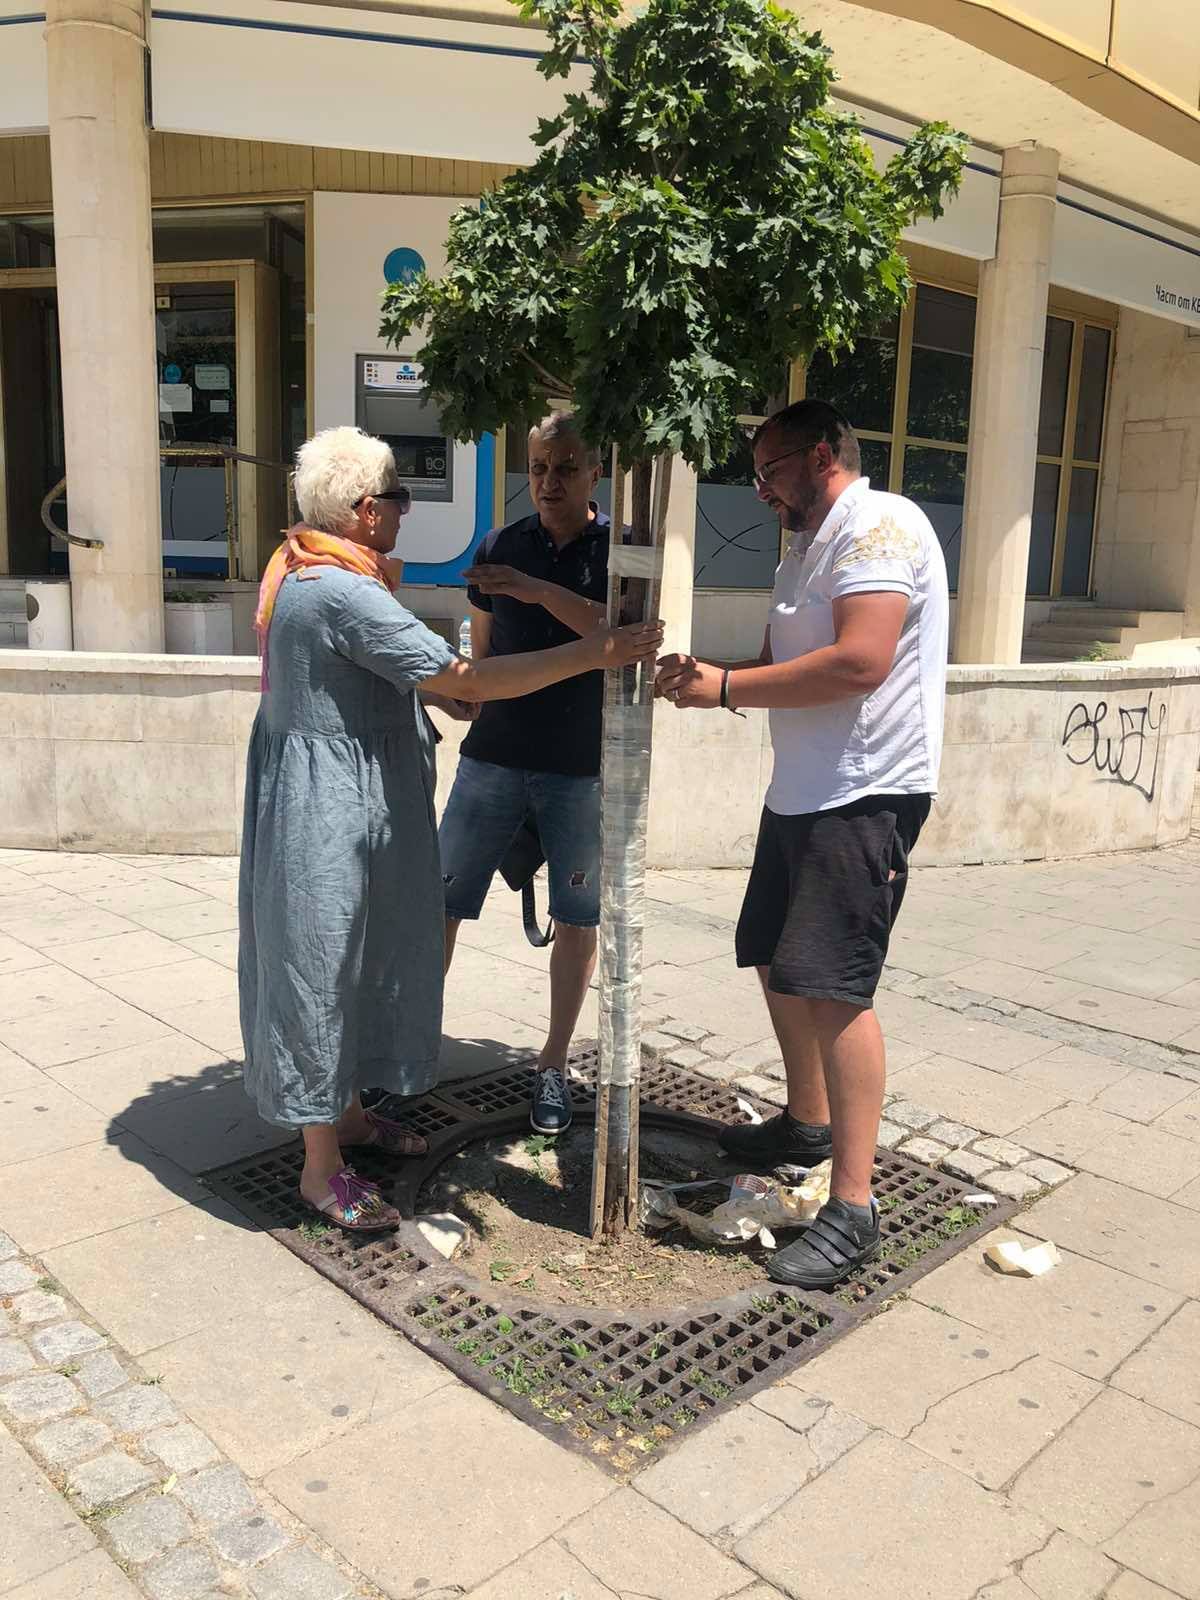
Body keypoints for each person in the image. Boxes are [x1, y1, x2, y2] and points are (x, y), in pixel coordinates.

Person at [239, 425, 660, 1232]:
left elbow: (372, 679)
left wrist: (429, 693)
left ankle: (353, 1117)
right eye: (396, 497)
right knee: (322, 969)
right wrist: (597, 651)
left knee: (356, 958)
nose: (403, 510)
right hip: (330, 815)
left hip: (345, 803)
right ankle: (321, 1166)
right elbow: (467, 671)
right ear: (366, 511)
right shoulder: (339, 589)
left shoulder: (307, 568)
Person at [655, 399, 948, 1289]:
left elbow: (863, 659)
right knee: (778, 963)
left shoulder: (879, 527)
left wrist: (729, 687)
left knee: (833, 989)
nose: (761, 490)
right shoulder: (806, 544)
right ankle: (806, 1124)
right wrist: (705, 671)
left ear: (823, 455)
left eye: (772, 470)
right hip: (804, 796)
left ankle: (852, 1208)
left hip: (866, 796)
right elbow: (788, 653)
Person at [439, 411, 613, 1137]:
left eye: (566, 467)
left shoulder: (620, 550)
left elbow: (619, 636)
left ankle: (552, 1063)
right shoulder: (499, 546)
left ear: (595, 472)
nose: (548, 481)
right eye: (538, 467)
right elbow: (480, 659)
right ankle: (403, 1054)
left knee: (578, 919)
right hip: (493, 759)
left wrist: (538, 591)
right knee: (439, 901)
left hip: (579, 767)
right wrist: (460, 693)